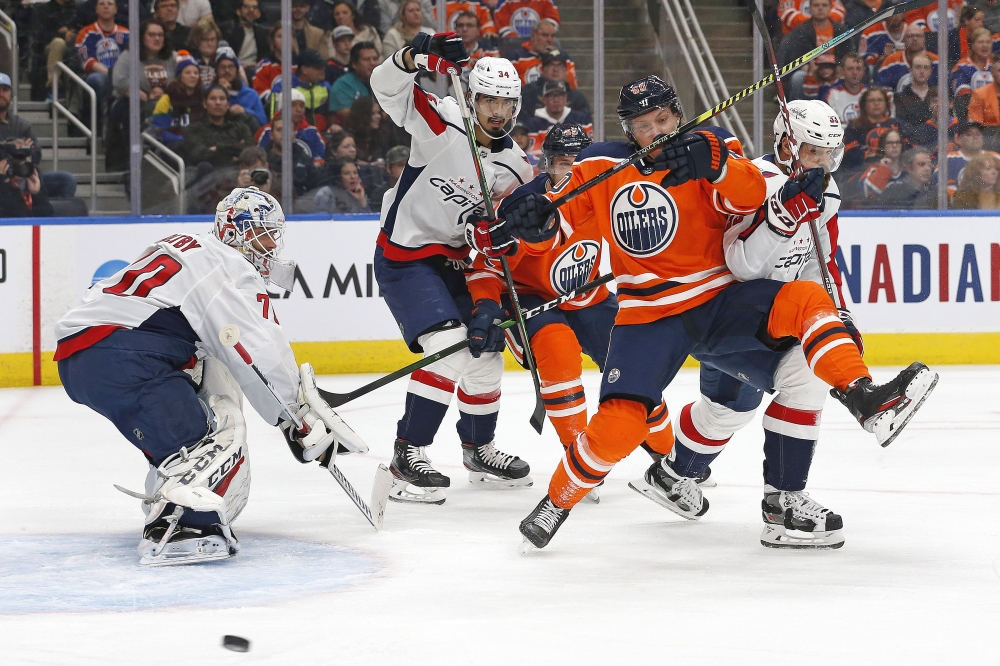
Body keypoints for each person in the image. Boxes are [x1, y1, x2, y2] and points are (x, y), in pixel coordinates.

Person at [499, 75, 936, 550]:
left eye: (663, 119)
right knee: (622, 422)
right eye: (643, 125)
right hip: (650, 313)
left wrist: (718, 166)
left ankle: (864, 396)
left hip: (720, 300)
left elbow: (749, 196)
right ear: (629, 129)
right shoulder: (601, 165)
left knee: (808, 302)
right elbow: (559, 223)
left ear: (678, 114)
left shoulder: (711, 146)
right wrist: (534, 226)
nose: (656, 131)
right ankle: (555, 503)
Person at [53, 187, 364, 566]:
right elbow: (257, 348)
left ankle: (169, 493)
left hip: (88, 356)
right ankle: (182, 526)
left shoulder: (190, 247)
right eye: (261, 232)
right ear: (235, 231)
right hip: (124, 357)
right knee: (218, 433)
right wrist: (295, 419)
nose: (269, 243)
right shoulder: (227, 267)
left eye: (272, 233)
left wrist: (293, 417)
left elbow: (223, 353)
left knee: (193, 415)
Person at [641, 100, 859, 548]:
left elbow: (821, 264)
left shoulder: (827, 195)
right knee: (805, 377)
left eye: (829, 154)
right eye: (813, 152)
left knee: (728, 410)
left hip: (766, 319)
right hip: (731, 314)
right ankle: (782, 507)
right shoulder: (752, 182)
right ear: (785, 143)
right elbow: (740, 265)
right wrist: (784, 213)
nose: (823, 164)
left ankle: (672, 473)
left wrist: (840, 316)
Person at [467, 123, 681, 503]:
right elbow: (485, 263)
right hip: (532, 300)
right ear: (547, 164)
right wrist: (485, 304)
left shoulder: (607, 193)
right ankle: (578, 459)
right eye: (562, 164)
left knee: (633, 365)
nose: (570, 174)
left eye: (578, 165)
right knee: (558, 350)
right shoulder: (520, 206)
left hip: (589, 297)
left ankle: (671, 459)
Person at [371, 35, 535, 504]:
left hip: (458, 267)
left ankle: (478, 449)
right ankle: (409, 453)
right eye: (487, 99)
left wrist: (496, 236)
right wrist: (412, 56)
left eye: (505, 102)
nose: (496, 111)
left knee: (484, 351)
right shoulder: (441, 124)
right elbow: (386, 87)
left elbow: (505, 236)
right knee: (448, 346)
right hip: (406, 257)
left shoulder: (516, 168)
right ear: (473, 98)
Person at [107, 20, 176, 171]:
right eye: (152, 35)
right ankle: (130, 162)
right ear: (142, 37)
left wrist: (166, 93)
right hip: (133, 102)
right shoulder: (129, 55)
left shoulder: (172, 57)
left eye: (160, 35)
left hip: (165, 104)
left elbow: (180, 80)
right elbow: (118, 79)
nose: (157, 38)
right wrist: (137, 92)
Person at [0, 72, 76, 200]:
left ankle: (49, 216)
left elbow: (36, 153)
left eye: (5, 89)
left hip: (24, 175)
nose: (1, 93)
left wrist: (12, 152)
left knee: (66, 180)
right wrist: (16, 149)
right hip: (2, 179)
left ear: (11, 94)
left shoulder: (22, 125)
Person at [777, 0, 849, 100]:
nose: (820, 8)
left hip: (836, 69)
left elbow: (848, 53)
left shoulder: (841, 29)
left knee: (850, 73)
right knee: (798, 77)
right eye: (816, 5)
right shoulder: (801, 30)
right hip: (812, 70)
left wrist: (838, 67)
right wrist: (812, 69)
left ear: (830, 7)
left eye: (824, 5)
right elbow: (797, 57)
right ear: (810, 8)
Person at [75, 0, 130, 130]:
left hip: (121, 77)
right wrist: (110, 74)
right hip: (96, 76)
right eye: (102, 3)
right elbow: (86, 60)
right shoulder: (86, 32)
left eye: (110, 4)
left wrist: (118, 76)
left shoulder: (126, 33)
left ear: (116, 9)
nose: (106, 6)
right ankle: (104, 117)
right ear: (96, 9)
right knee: (98, 79)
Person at [182, 83, 255, 168]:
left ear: (228, 104)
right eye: (213, 99)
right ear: (205, 104)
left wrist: (215, 149)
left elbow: (250, 154)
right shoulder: (193, 129)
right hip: (207, 177)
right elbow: (197, 155)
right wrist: (234, 150)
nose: (218, 102)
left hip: (238, 174)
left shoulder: (241, 128)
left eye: (222, 99)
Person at [523, 80, 592, 158]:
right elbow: (534, 155)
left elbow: (590, 148)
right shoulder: (533, 124)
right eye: (551, 96)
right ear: (544, 99)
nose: (556, 100)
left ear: (566, 98)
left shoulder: (581, 119)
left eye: (560, 95)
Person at [256, 88, 326, 165]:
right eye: (293, 105)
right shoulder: (267, 131)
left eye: (302, 106)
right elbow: (260, 160)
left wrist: (316, 164)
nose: (299, 109)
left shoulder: (312, 132)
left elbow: (321, 158)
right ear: (282, 109)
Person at [842, 86, 905, 171]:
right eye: (871, 100)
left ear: (886, 103)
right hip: (863, 171)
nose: (876, 103)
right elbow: (850, 151)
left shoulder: (896, 124)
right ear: (864, 105)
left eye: (880, 100)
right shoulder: (855, 126)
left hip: (896, 168)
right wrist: (874, 158)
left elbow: (909, 145)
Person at [518, 50, 591, 123]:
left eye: (560, 66)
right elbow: (520, 125)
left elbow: (586, 125)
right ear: (542, 70)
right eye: (551, 65)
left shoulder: (577, 99)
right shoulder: (527, 94)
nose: (555, 70)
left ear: (566, 71)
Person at [151, 51, 207, 144]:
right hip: (173, 144)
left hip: (199, 144)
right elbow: (160, 131)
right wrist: (183, 140)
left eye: (196, 73)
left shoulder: (204, 97)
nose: (193, 76)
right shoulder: (167, 99)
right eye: (188, 73)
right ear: (180, 76)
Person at [269, 49, 331, 130]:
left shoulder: (326, 86)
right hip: (293, 132)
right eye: (318, 68)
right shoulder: (283, 86)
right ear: (304, 69)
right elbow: (274, 117)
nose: (323, 71)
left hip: (323, 133)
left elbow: (333, 114)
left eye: (323, 67)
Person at [30, 0, 79, 101]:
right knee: (58, 43)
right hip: (49, 46)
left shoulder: (77, 9)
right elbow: (40, 35)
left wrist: (73, 35)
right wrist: (62, 35)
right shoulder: (42, 10)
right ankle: (53, 88)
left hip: (75, 45)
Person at [936, 120, 1000, 195]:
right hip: (959, 205)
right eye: (969, 134)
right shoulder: (949, 159)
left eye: (978, 134)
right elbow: (937, 184)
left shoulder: (995, 157)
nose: (975, 137)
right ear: (958, 139)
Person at [508, 20, 577, 89]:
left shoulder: (563, 57)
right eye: (545, 35)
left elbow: (573, 86)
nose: (549, 40)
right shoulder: (516, 57)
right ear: (533, 36)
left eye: (552, 36)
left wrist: (554, 57)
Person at [876, 22, 938, 93]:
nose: (915, 39)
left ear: (924, 39)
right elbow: (882, 89)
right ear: (904, 39)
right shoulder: (891, 60)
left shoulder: (936, 61)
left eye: (918, 36)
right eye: (910, 36)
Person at [214, 46, 266, 127]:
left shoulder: (251, 94)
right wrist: (222, 93)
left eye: (230, 66)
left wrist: (244, 111)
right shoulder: (208, 92)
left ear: (237, 69)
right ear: (217, 70)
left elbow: (263, 122)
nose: (227, 70)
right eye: (223, 67)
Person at [949, 26, 994, 120]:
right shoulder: (961, 67)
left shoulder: (996, 65)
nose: (985, 45)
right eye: (981, 42)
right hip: (970, 118)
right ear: (972, 45)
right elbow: (964, 98)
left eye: (988, 42)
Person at [265, 113, 317, 193]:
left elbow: (314, 189)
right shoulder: (262, 158)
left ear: (294, 135)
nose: (284, 134)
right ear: (271, 135)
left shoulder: (304, 159)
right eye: (279, 130)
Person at [329, 42, 380, 123]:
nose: (372, 63)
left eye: (375, 59)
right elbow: (348, 115)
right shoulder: (343, 85)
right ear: (354, 64)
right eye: (366, 59)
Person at [0, 142, 54, 216]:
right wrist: (5, 185)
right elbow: (17, 216)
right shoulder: (3, 183)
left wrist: (36, 194)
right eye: (18, 158)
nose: (24, 163)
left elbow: (47, 216)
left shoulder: (32, 177)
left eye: (26, 158)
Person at [221, 0, 270, 76]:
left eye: (255, 7)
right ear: (238, 11)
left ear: (259, 13)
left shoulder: (264, 33)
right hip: (233, 70)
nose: (251, 10)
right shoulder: (229, 30)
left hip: (256, 70)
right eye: (247, 7)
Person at [856, 128, 906, 201]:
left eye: (898, 142)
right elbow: (868, 194)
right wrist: (884, 170)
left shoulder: (908, 169)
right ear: (883, 146)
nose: (894, 146)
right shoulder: (873, 169)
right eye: (889, 143)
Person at [454, 10, 500, 89]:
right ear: (455, 30)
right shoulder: (448, 52)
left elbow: (495, 81)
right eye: (460, 25)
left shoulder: (490, 53)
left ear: (478, 30)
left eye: (470, 25)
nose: (464, 29)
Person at [821, 52, 869, 123]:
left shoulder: (869, 92)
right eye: (850, 69)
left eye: (858, 69)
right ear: (842, 71)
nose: (855, 72)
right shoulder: (832, 94)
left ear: (863, 71)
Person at [254, 25, 297, 96]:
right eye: (280, 36)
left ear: (294, 40)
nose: (284, 39)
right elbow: (261, 93)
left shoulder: (301, 65)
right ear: (273, 41)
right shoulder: (264, 66)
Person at [895, 53, 935, 127]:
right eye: (917, 67)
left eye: (926, 67)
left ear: (930, 71)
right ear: (910, 70)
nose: (922, 71)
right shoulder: (900, 97)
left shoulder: (937, 95)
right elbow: (901, 125)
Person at [493, 0, 560, 40]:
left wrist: (538, 37)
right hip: (513, 42)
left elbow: (553, 21)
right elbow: (503, 26)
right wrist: (518, 39)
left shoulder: (547, 1)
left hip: (540, 41)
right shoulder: (505, 1)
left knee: (554, 43)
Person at [188, 18, 225, 86]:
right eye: (205, 40)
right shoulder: (189, 60)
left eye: (213, 39)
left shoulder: (224, 59)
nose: (210, 43)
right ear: (196, 40)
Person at [778, 0, 846, 34]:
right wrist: (817, 22)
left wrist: (817, 22)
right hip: (796, 40)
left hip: (828, 39)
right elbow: (788, 15)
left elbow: (839, 12)